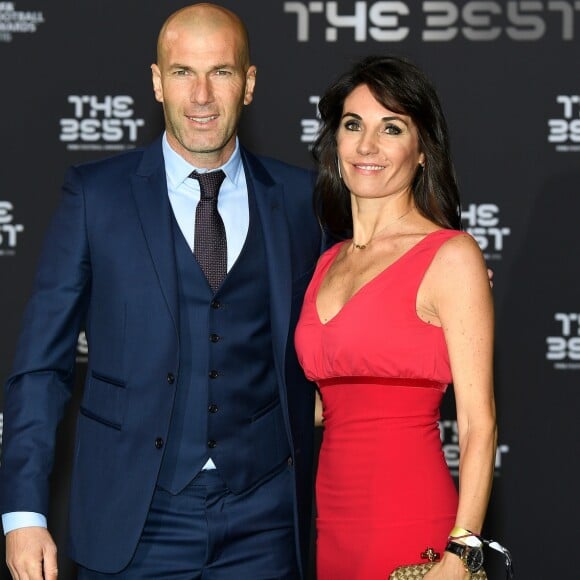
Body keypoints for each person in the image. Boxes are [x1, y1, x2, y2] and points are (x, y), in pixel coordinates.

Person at [0, 4, 323, 579]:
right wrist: (23, 512)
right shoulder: (95, 197)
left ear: (248, 85)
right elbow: (40, 366)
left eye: (221, 72)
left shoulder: (300, 199)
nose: (201, 95)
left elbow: (368, 276)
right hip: (134, 516)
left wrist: (443, 268)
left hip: (265, 518)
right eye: (182, 72)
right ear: (156, 81)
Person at [294, 55, 497, 579]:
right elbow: (325, 404)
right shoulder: (325, 264)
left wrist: (463, 552)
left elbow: (478, 424)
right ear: (335, 144)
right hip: (331, 527)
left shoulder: (451, 256)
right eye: (353, 125)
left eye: (391, 128)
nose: (367, 146)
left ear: (423, 150)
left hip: (415, 528)